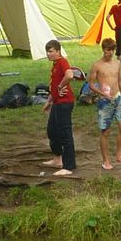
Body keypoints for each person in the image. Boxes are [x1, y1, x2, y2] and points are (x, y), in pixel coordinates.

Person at [89, 37, 121, 169]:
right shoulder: (97, 65)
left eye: (112, 50)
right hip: (105, 101)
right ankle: (106, 160)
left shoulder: (117, 63)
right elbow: (91, 84)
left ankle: (119, 154)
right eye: (108, 50)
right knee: (105, 131)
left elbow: (120, 81)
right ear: (103, 50)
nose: (110, 53)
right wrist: (101, 93)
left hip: (117, 98)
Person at [41, 39, 79, 177]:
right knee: (52, 131)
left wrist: (61, 86)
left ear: (58, 51)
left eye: (51, 51)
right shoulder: (55, 64)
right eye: (47, 51)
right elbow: (54, 84)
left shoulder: (62, 62)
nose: (48, 54)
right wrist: (49, 101)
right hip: (57, 102)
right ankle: (57, 159)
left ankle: (69, 166)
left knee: (65, 133)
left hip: (65, 102)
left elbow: (69, 75)